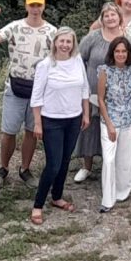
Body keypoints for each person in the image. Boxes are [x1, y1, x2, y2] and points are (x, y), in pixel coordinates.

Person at [0, 0, 56, 189]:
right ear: (26, 6)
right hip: (14, 88)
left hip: (39, 91)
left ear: (44, 6)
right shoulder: (15, 27)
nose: (35, 9)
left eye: (38, 5)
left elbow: (61, 58)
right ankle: (3, 169)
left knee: (32, 132)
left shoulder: (52, 32)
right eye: (32, 5)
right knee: (9, 131)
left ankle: (25, 169)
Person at [29, 27, 90, 225]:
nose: (65, 45)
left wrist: (85, 113)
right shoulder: (45, 65)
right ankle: (38, 205)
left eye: (68, 42)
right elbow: (36, 96)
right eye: (61, 41)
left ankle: (57, 196)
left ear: (73, 44)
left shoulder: (77, 61)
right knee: (53, 164)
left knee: (65, 161)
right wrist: (37, 123)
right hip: (51, 120)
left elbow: (84, 89)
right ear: (55, 42)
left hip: (74, 118)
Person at [74, 2, 125, 182]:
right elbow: (78, 59)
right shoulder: (92, 38)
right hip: (92, 92)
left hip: (117, 96)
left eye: (113, 15)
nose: (110, 18)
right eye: (106, 15)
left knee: (113, 129)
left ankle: (111, 167)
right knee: (89, 127)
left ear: (119, 17)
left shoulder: (126, 39)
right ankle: (86, 167)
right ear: (101, 19)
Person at [97, 35, 131, 213]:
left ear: (128, 53)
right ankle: (108, 199)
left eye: (124, 51)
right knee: (109, 159)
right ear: (112, 53)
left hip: (128, 119)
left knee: (124, 158)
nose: (120, 54)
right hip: (110, 120)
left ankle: (122, 192)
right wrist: (109, 125)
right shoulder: (104, 71)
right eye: (117, 51)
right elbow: (100, 99)